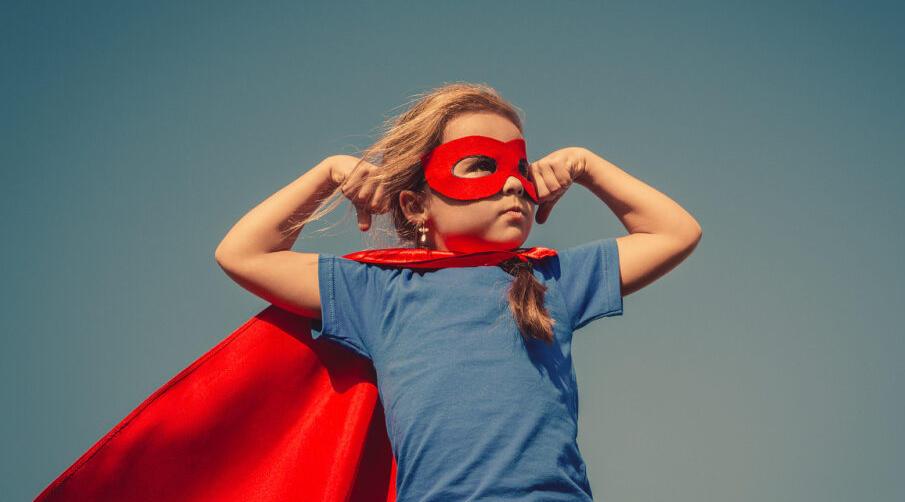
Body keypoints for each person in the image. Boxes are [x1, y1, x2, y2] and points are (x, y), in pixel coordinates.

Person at [214, 82, 701, 501]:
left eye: (522, 166)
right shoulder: (379, 292)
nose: (513, 181)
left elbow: (674, 233)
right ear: (416, 205)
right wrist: (327, 173)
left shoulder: (553, 278)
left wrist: (586, 164)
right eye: (479, 165)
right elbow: (244, 254)